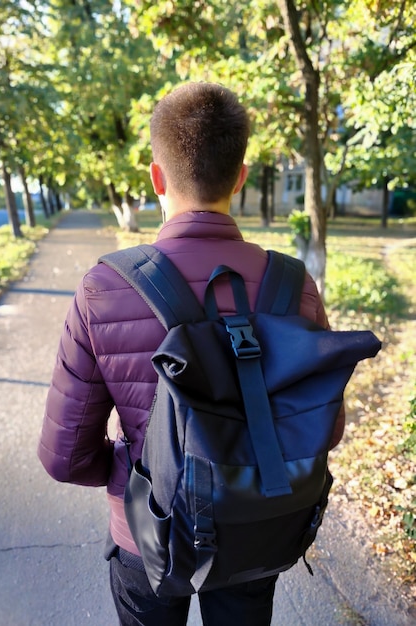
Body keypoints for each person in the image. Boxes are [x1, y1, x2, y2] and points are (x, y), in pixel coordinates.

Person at [38, 82, 344, 626]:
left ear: (156, 176)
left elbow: (64, 457)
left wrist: (136, 469)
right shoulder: (294, 284)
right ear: (241, 177)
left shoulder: (104, 289)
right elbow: (326, 425)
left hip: (145, 535)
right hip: (256, 530)